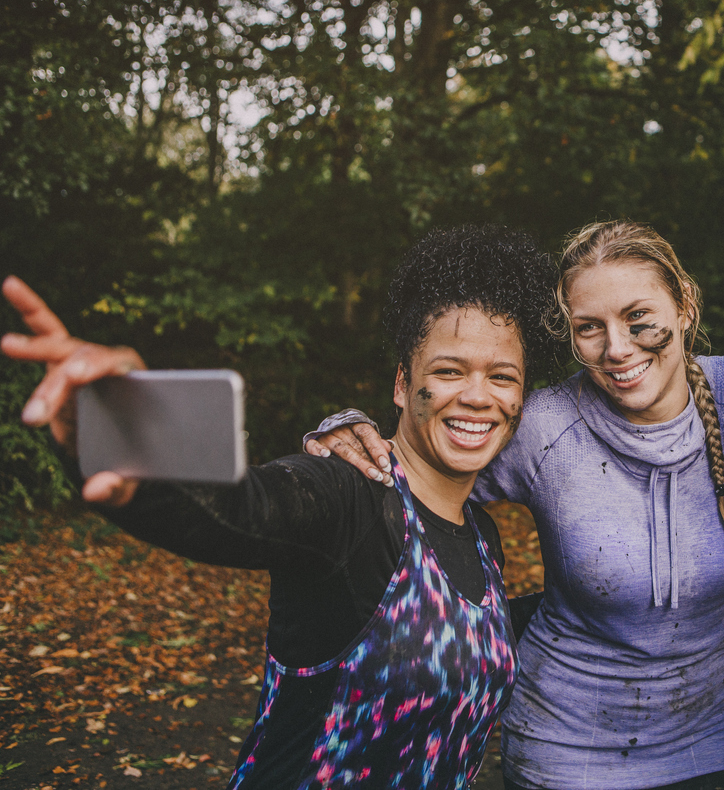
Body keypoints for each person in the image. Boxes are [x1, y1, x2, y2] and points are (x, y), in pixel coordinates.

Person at [308, 220, 724, 790]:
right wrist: (343, 428)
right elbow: (428, 452)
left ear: (684, 305)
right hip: (564, 753)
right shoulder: (546, 426)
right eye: (590, 328)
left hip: (710, 749)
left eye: (638, 318)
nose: (617, 348)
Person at [1, 225, 566, 789]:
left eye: (501, 377)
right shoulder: (349, 495)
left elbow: (471, 636)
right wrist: (123, 438)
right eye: (449, 371)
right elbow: (243, 508)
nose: (476, 395)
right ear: (402, 383)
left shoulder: (482, 536)